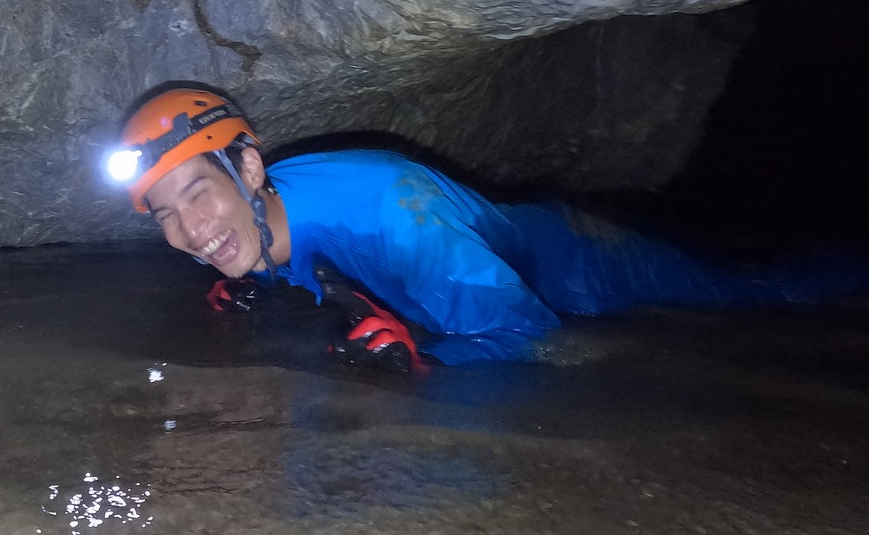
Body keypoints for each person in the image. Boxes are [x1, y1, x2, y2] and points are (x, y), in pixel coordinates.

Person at [104, 85, 866, 365]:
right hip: (514, 245)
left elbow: (534, 335)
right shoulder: (254, 222)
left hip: (578, 264)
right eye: (165, 213)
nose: (188, 231)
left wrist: (433, 357)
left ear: (249, 169)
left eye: (196, 193)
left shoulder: (387, 216)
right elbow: (295, 259)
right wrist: (255, 290)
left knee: (762, 291)